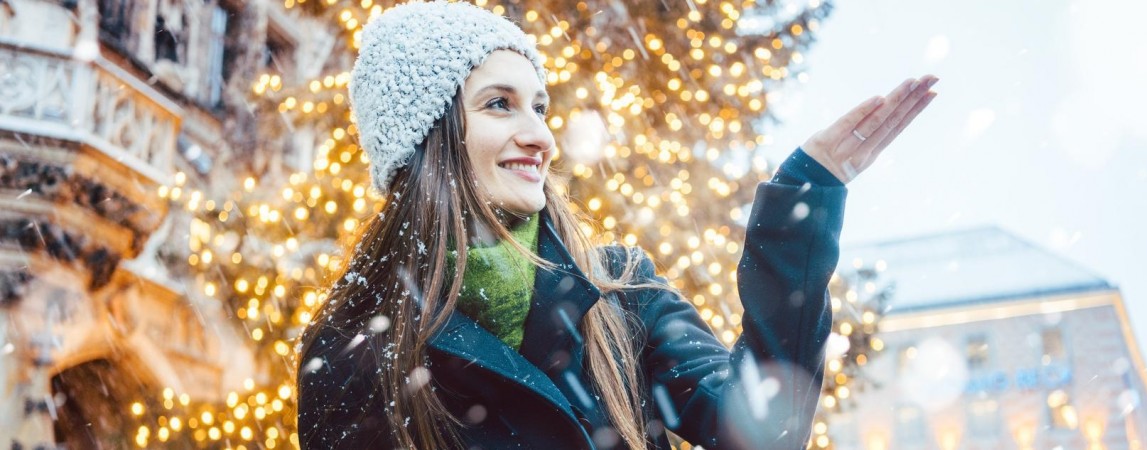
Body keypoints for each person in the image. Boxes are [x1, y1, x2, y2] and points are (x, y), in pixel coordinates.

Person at [296, 2, 938, 449]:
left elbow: (765, 431)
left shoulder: (619, 291)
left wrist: (803, 200)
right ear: (426, 139)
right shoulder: (355, 353)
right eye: (500, 104)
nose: (542, 137)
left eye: (541, 107)